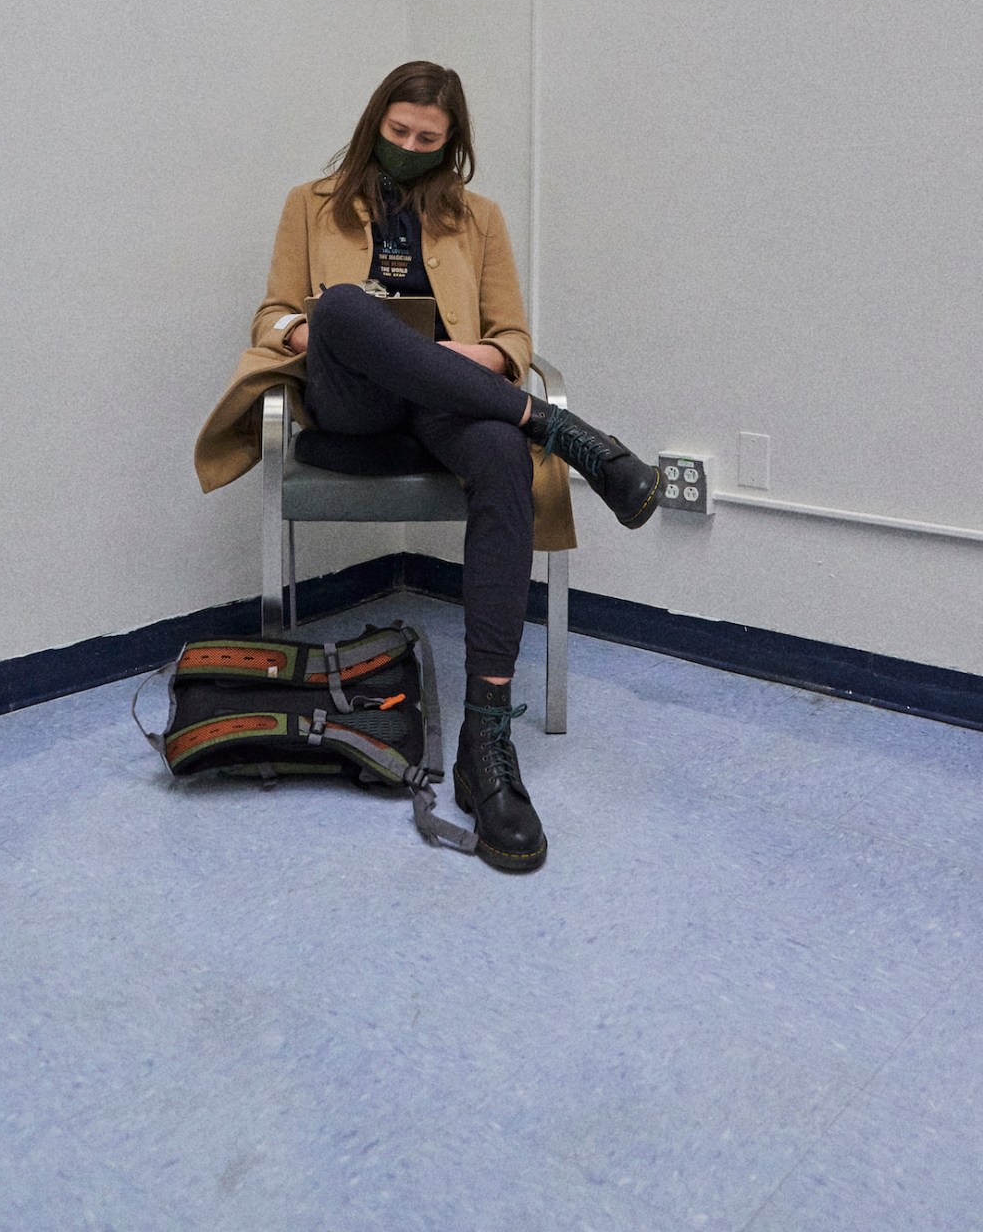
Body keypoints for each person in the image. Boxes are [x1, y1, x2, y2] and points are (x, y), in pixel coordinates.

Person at [195, 62, 661, 873]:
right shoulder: (309, 203)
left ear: (452, 145)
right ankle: (567, 434)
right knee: (339, 305)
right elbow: (274, 315)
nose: (409, 147)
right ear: (376, 120)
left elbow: (511, 341)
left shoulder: (477, 218)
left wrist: (447, 357)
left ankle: (487, 742)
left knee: (498, 456)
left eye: (428, 139)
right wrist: (334, 338)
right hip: (355, 412)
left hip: (448, 414)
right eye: (398, 131)